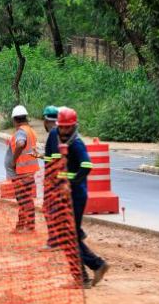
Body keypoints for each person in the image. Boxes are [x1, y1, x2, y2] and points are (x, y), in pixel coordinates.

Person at [56, 107, 110, 287]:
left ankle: (84, 276)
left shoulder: (76, 144)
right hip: (68, 196)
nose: (63, 131)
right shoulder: (65, 143)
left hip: (76, 196)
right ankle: (96, 266)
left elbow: (87, 166)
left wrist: (70, 184)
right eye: (61, 127)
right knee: (71, 235)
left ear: (73, 127)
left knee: (68, 237)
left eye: (67, 128)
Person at [5, 105, 39, 233]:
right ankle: (21, 225)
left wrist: (13, 161)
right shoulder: (29, 130)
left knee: (24, 199)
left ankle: (29, 226)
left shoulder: (20, 132)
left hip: (22, 172)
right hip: (28, 171)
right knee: (24, 199)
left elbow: (20, 144)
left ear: (15, 119)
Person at [40, 105, 62, 248]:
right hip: (60, 176)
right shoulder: (62, 132)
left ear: (46, 120)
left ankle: (54, 240)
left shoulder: (54, 133)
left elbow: (55, 157)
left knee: (49, 208)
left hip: (54, 178)